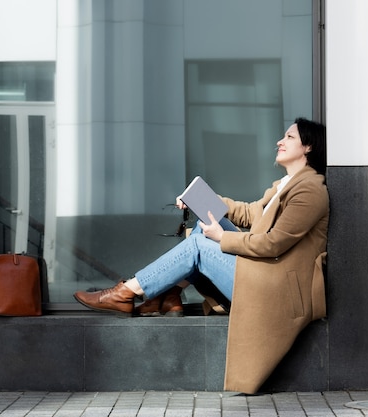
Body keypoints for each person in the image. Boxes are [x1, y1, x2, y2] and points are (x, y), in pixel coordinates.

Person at [74, 117, 329, 394]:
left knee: (199, 246)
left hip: (277, 290)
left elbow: (273, 244)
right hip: (264, 275)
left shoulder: (310, 190)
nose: (280, 141)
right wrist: (199, 198)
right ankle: (169, 296)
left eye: (289, 138)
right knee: (199, 231)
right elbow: (249, 214)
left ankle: (127, 292)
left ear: (309, 147)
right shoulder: (287, 184)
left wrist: (222, 238)